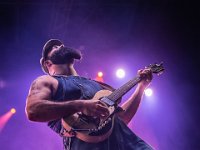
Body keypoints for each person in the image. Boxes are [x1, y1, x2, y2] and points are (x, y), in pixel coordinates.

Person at [25, 39, 154, 150]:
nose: (61, 46)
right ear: (48, 63)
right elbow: (33, 110)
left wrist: (141, 88)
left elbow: (121, 118)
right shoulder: (47, 81)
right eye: (55, 47)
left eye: (61, 44)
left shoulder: (98, 86)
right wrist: (81, 105)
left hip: (132, 145)